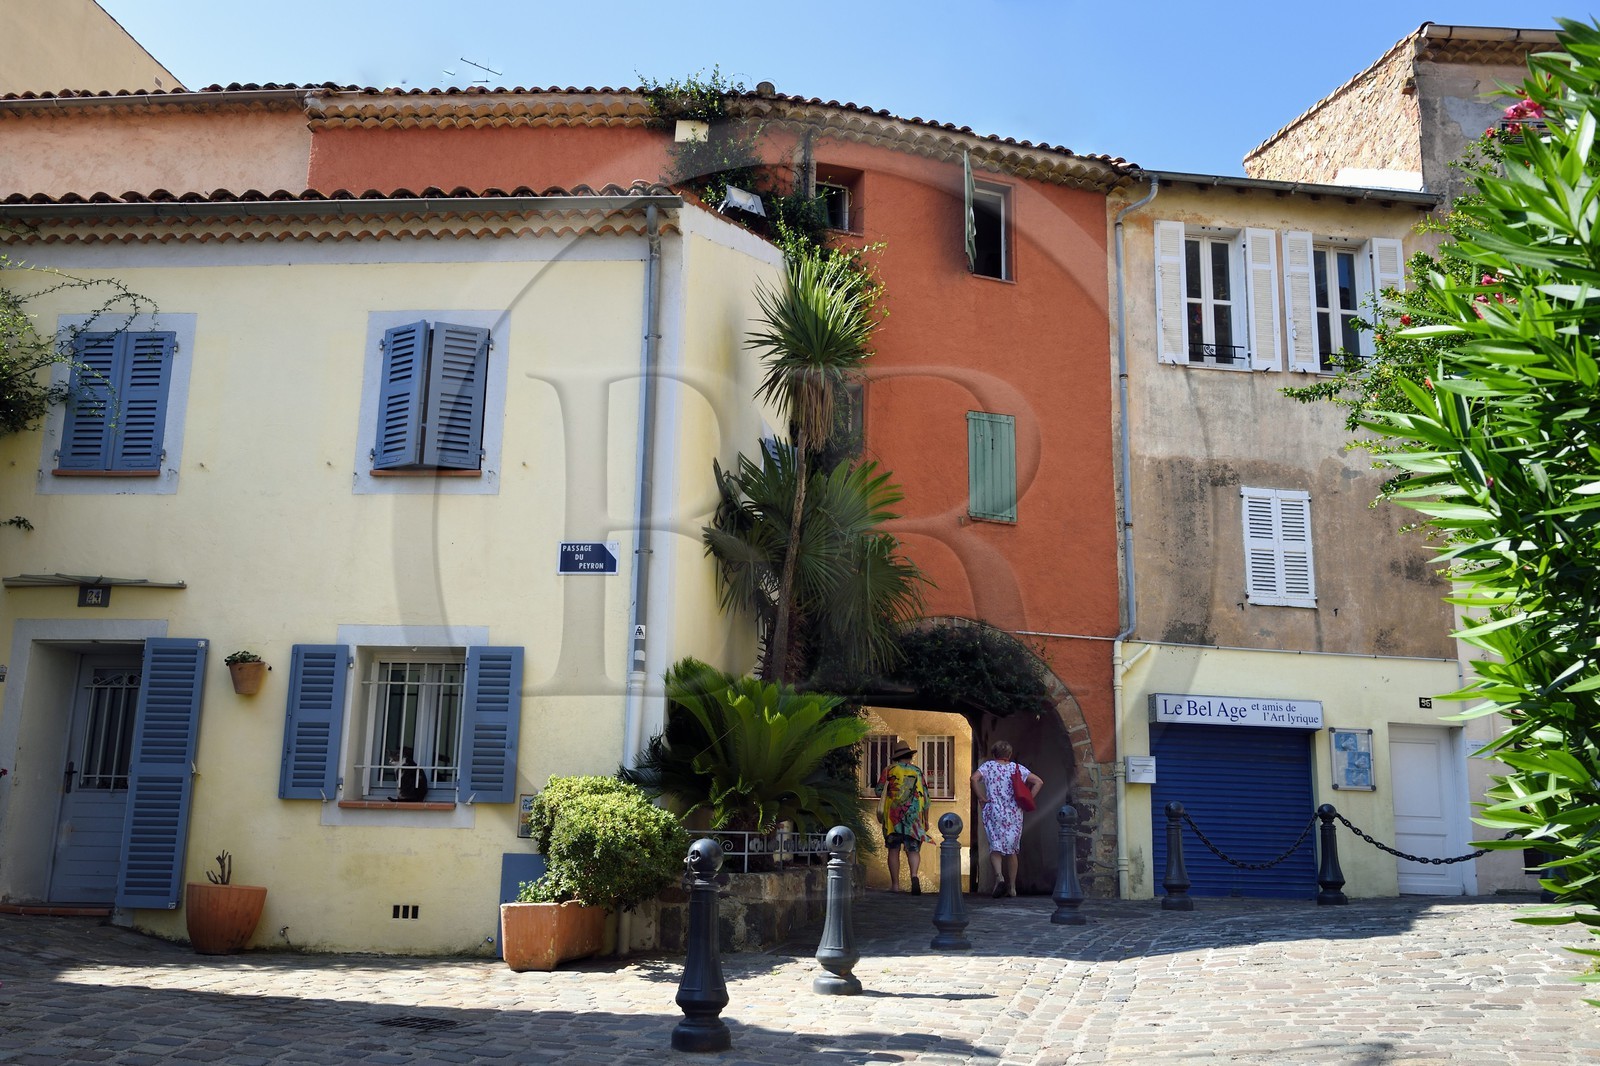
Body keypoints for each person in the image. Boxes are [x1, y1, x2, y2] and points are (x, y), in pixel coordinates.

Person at [971, 739, 1042, 898]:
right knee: (1012, 850)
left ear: (994, 753)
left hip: (994, 811)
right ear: (1009, 754)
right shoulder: (1017, 768)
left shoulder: (988, 766)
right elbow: (1038, 782)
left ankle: (999, 877)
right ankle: (1012, 887)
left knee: (996, 847)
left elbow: (973, 778)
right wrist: (1028, 799)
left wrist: (981, 797)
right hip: (1014, 812)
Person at [877, 740, 931, 893]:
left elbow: (878, 791)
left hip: (893, 818)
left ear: (896, 756)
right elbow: (925, 797)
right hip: (913, 818)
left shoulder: (889, 770)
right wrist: (925, 820)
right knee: (913, 850)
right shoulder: (917, 771)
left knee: (893, 850)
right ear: (909, 756)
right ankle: (914, 876)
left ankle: (895, 885)